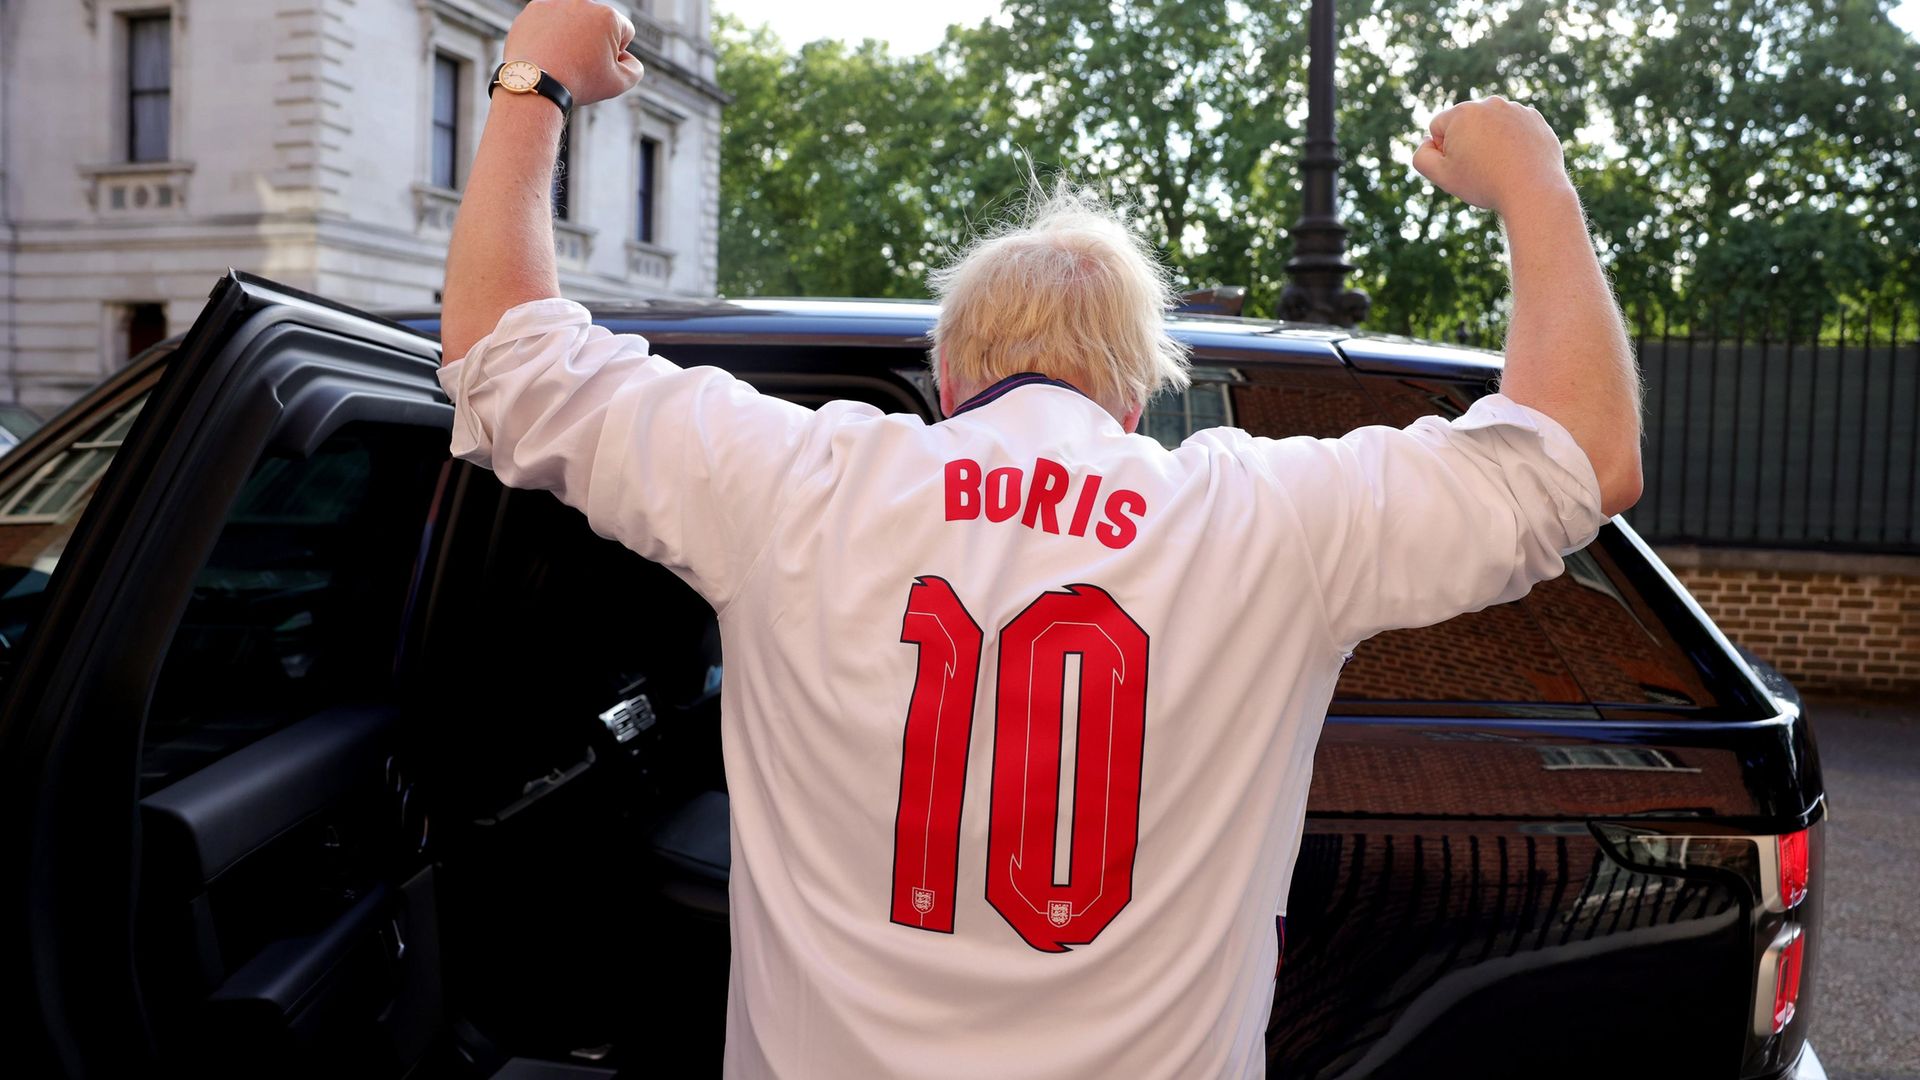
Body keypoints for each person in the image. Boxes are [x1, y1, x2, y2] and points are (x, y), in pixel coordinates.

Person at [438, 1, 1642, 1076]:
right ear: (1134, 395)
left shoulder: (799, 483)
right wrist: (1533, 178)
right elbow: (1584, 456)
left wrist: (534, 74)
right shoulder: (1266, 524)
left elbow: (506, 363)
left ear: (949, 375)